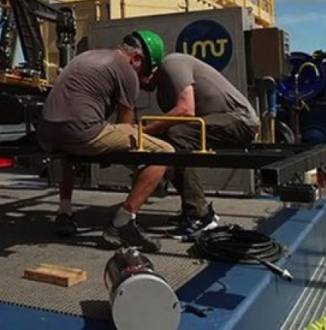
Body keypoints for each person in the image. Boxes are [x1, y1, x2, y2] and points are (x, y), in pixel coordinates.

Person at [36, 30, 172, 253]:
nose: (141, 77)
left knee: (69, 151)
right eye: (144, 70)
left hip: (47, 135)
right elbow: (125, 126)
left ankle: (65, 212)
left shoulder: (86, 56)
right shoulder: (127, 71)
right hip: (80, 134)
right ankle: (122, 222)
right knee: (164, 152)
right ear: (136, 59)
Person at [144, 53, 260, 240]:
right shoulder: (163, 93)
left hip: (241, 121)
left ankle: (199, 215)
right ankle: (192, 209)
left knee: (178, 135)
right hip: (223, 122)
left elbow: (186, 110)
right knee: (169, 139)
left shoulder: (172, 63)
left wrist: (145, 131)